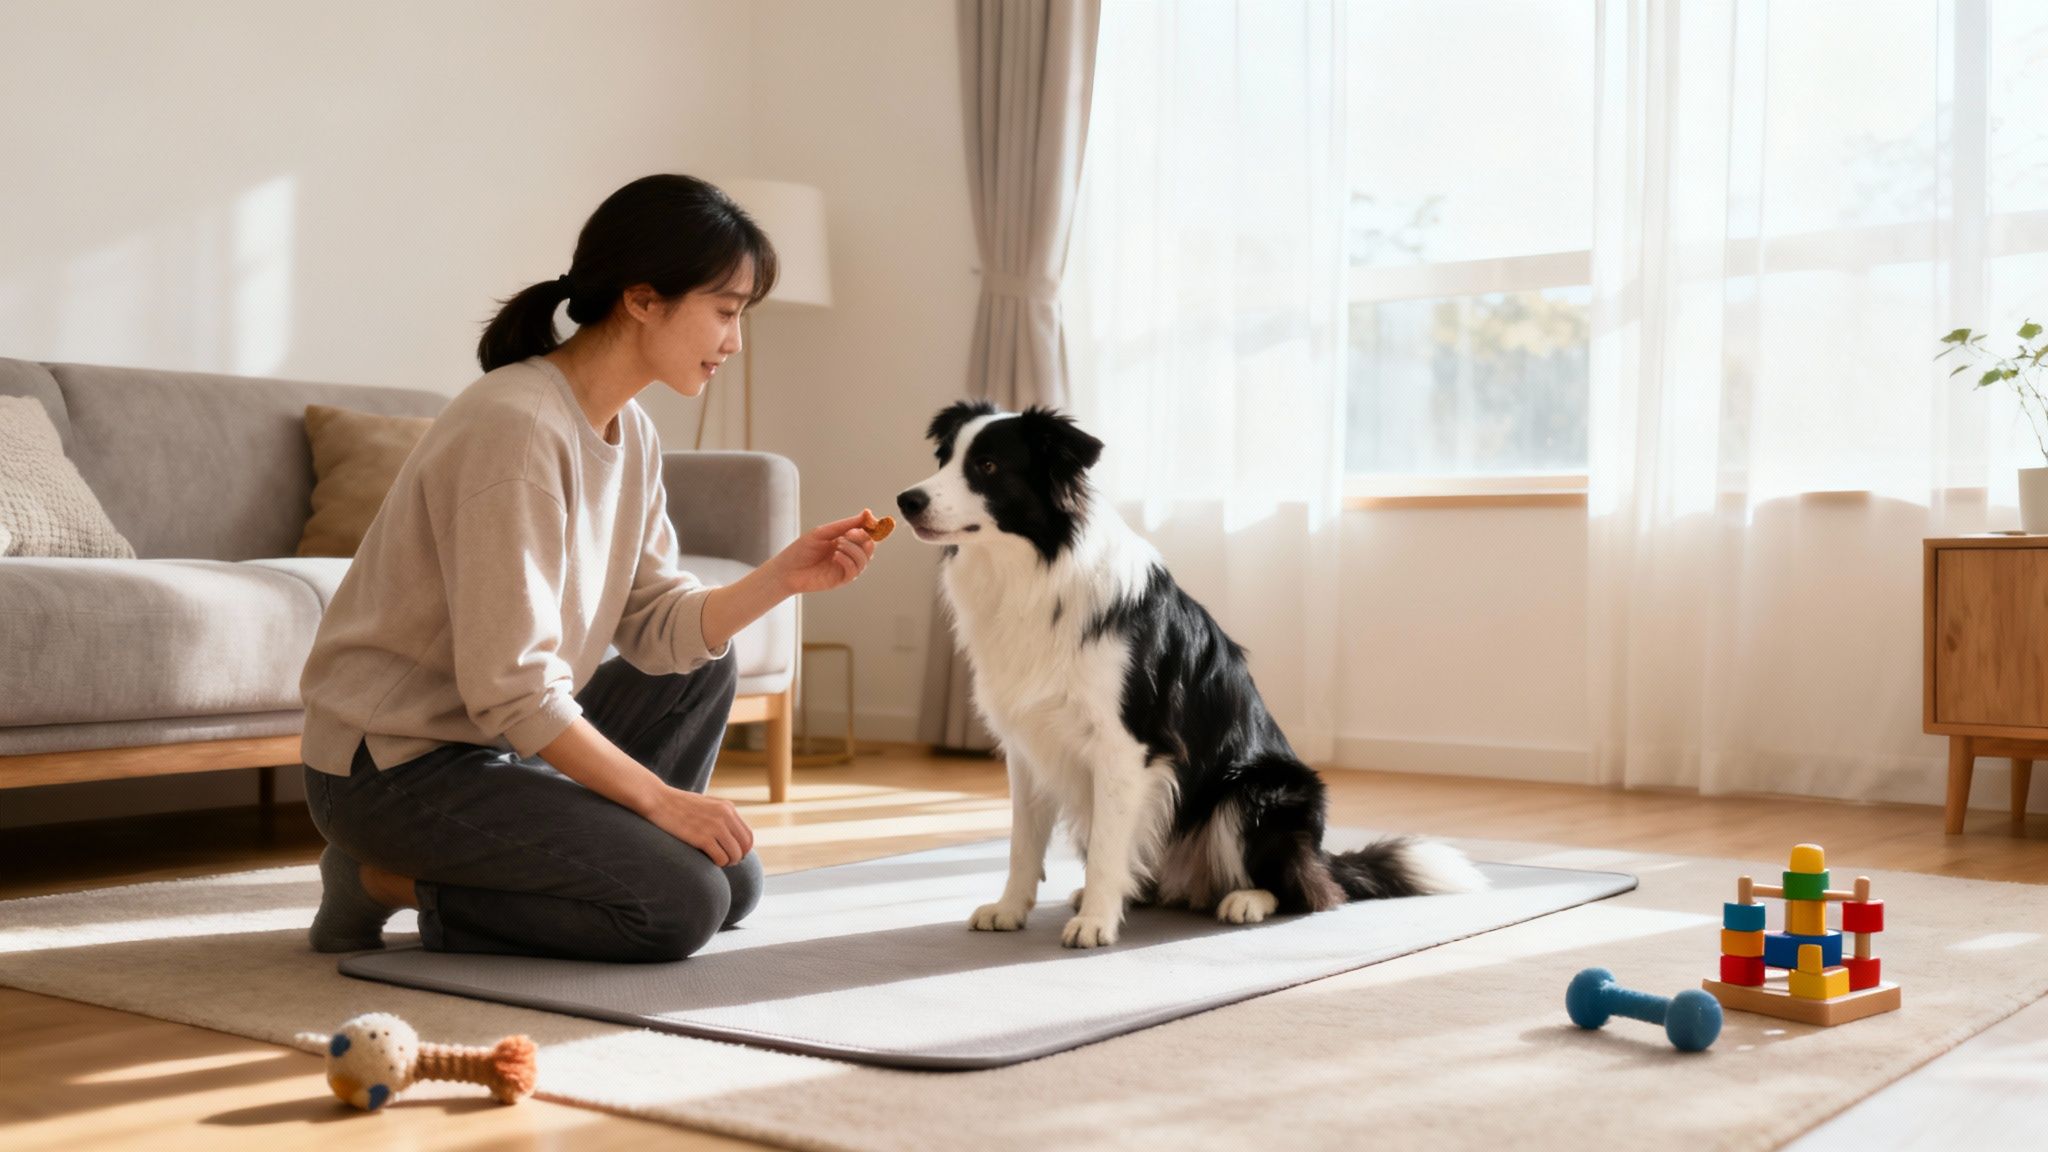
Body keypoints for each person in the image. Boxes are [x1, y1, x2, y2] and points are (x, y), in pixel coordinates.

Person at [297, 174, 876, 962]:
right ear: (643, 298)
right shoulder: (516, 427)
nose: (734, 341)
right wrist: (666, 803)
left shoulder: (627, 431)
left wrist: (783, 576)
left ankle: (593, 859)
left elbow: (657, 631)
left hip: (492, 751)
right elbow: (514, 686)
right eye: (726, 310)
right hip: (392, 772)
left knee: (731, 878)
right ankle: (375, 881)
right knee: (680, 904)